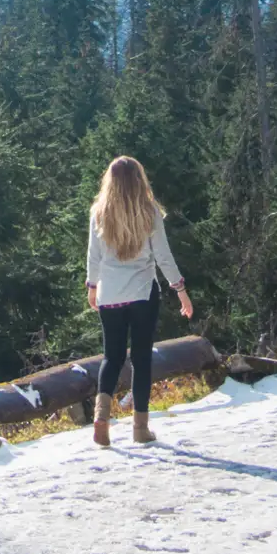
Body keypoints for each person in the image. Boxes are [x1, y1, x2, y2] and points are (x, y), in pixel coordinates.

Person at [85, 155, 192, 447]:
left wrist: (92, 287)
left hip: (110, 296)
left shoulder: (99, 212)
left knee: (112, 357)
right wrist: (180, 290)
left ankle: (101, 419)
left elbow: (93, 257)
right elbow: (164, 256)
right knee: (141, 358)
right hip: (143, 292)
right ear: (139, 179)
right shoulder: (150, 212)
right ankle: (140, 428)